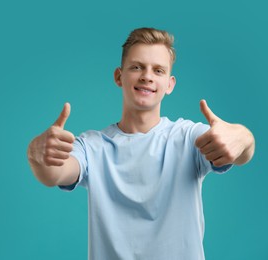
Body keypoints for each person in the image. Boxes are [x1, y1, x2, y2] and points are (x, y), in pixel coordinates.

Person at [27, 27, 255, 260]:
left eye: (158, 70)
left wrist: (242, 138)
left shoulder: (188, 137)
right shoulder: (92, 146)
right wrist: (36, 154)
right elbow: (54, 173)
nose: (147, 76)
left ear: (169, 84)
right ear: (119, 76)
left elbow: (240, 150)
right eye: (137, 67)